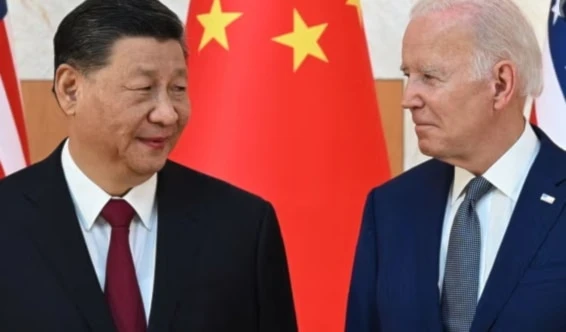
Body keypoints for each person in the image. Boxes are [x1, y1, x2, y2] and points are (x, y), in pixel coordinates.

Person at [0, 1, 297, 331]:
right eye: (144, 89)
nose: (168, 114)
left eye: (178, 89)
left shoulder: (243, 226)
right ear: (71, 89)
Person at [346, 0, 566, 331]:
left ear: (501, 84)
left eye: (430, 77)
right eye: (409, 75)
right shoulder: (390, 206)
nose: (409, 98)